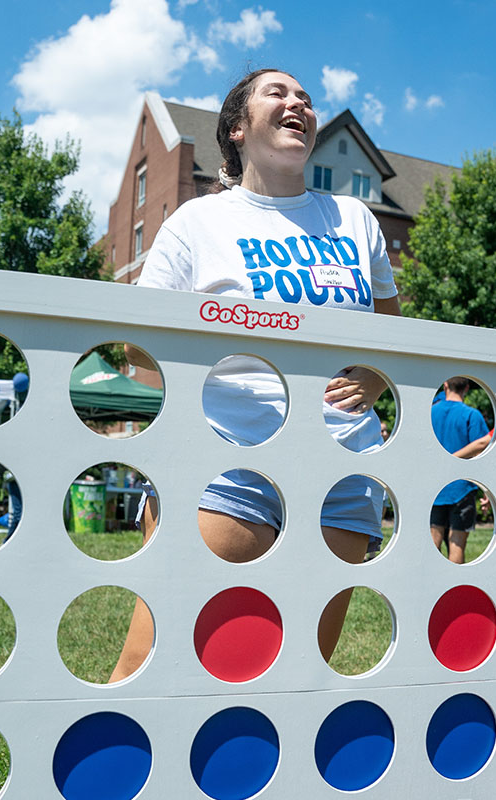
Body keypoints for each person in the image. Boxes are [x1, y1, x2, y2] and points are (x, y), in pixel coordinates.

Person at [111, 68, 401, 682]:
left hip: (343, 469)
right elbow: (136, 352)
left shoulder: (355, 219)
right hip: (230, 462)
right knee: (156, 657)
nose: (297, 102)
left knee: (299, 668)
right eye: (279, 93)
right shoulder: (198, 223)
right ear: (238, 129)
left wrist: (376, 379)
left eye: (306, 99)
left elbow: (393, 337)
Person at [430, 377, 490, 563]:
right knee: (456, 544)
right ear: (466, 388)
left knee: (433, 540)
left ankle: (429, 587)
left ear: (445, 385)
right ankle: (453, 590)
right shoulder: (472, 415)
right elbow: (483, 445)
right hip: (462, 487)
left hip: (434, 486)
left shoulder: (430, 412)